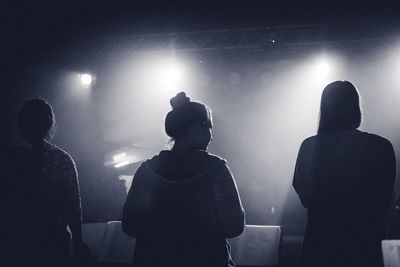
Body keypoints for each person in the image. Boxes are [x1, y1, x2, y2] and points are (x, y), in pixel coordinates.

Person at [122, 92, 245, 267]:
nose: (212, 136)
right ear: (197, 128)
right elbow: (234, 227)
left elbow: (129, 226)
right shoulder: (216, 170)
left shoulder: (147, 170)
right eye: (209, 127)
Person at [293, 81, 396, 267]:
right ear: (355, 108)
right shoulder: (381, 146)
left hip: (320, 247)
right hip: (364, 248)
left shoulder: (309, 147)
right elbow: (385, 201)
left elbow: (305, 198)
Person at [0, 98, 88, 266]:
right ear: (50, 123)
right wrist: (78, 243)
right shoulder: (62, 159)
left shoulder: (6, 158)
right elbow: (73, 207)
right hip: (53, 245)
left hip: (13, 245)